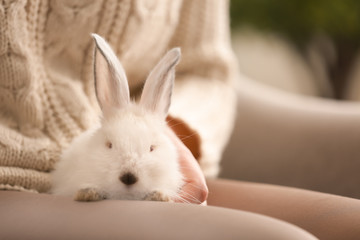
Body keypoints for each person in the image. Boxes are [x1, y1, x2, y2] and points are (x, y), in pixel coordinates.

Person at [1, 1, 359, 239]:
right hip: (12, 180)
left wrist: (179, 136)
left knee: (350, 223)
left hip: (150, 151)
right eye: (110, 146)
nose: (129, 167)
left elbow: (203, 69)